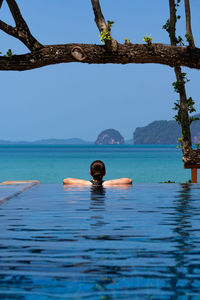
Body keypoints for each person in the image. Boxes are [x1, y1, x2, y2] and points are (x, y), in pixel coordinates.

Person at [63, 160, 132, 186]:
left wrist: (83, 182)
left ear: (90, 173)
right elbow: (129, 180)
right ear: (105, 173)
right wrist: (111, 182)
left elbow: (65, 180)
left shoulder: (85, 184)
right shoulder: (109, 183)